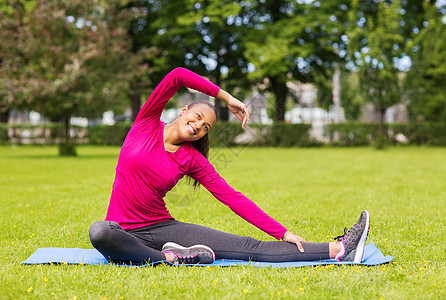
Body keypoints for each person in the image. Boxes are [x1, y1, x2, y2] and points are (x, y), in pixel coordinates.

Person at [89, 68, 370, 265]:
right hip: (122, 233)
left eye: (205, 127)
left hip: (161, 227)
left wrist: (281, 232)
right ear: (183, 111)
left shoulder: (191, 159)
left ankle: (340, 249)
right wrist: (226, 97)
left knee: (248, 248)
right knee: (100, 232)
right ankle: (171, 258)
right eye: (198, 116)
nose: (198, 125)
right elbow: (176, 75)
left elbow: (231, 197)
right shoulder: (145, 125)